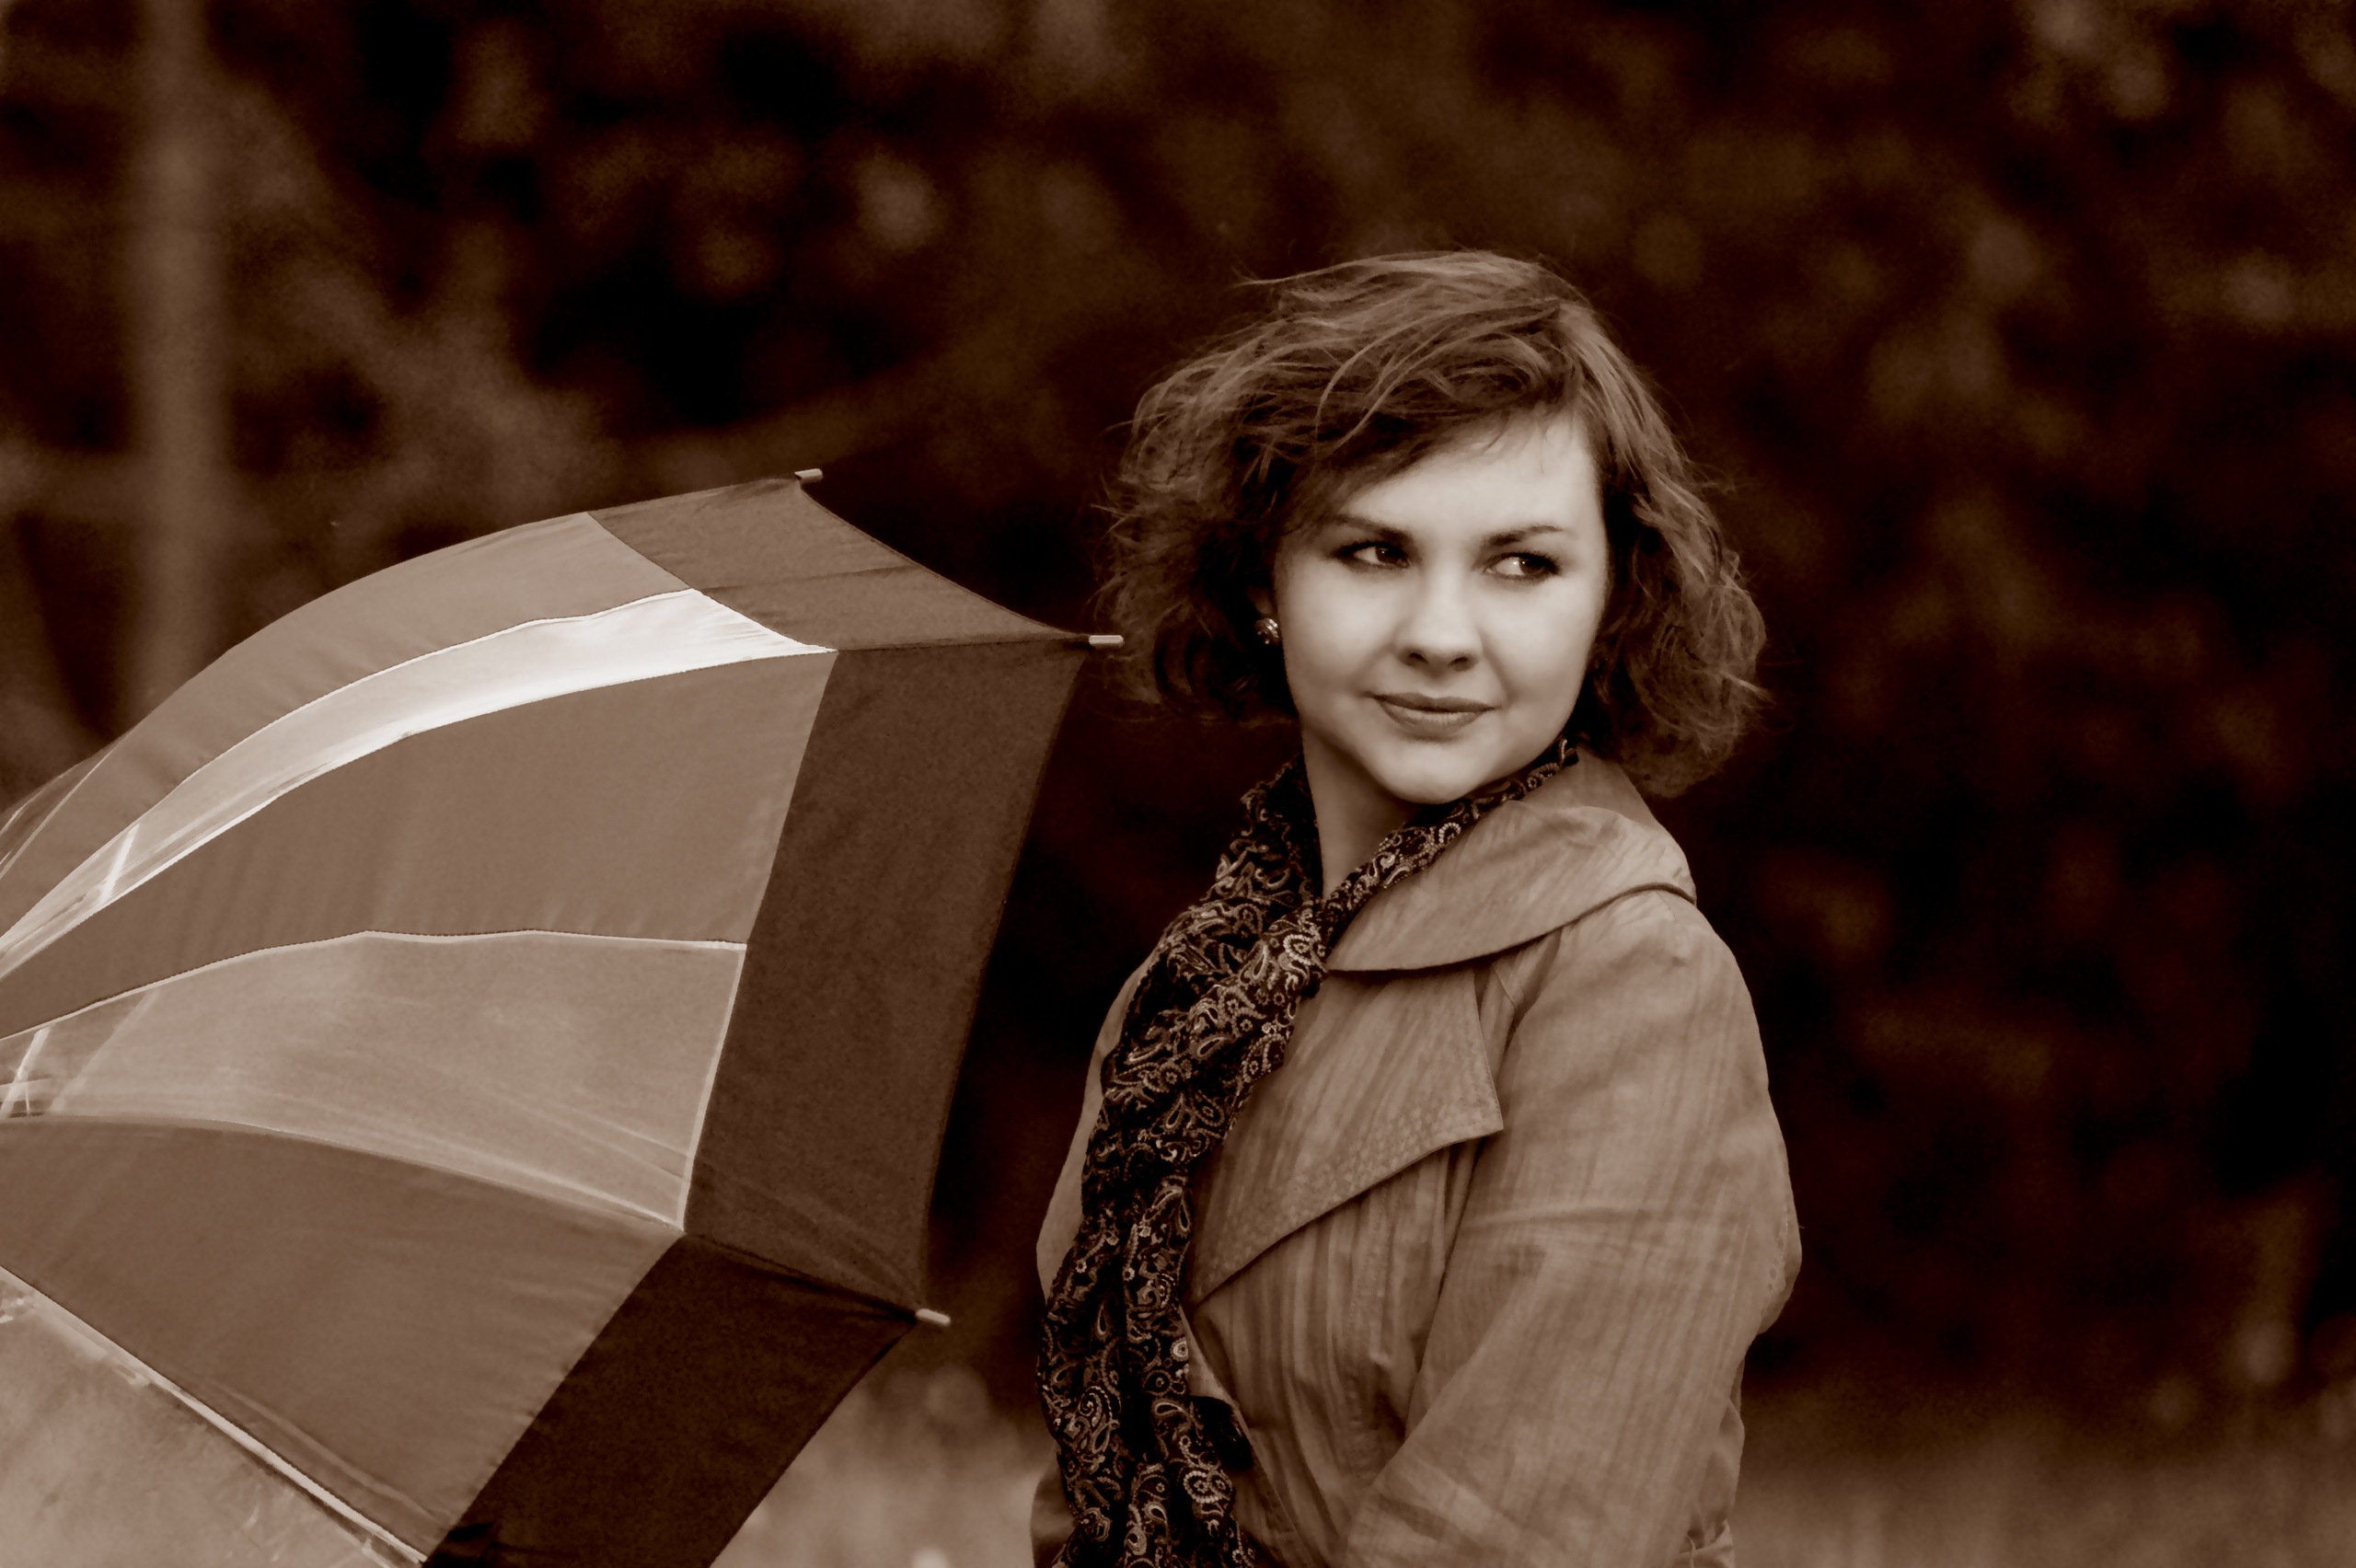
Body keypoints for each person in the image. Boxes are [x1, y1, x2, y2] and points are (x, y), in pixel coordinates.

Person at [1031, 251, 1799, 1568]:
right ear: (1265, 584)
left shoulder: (1631, 980)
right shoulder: (1191, 997)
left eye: (1522, 564)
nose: (1443, 633)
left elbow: (1520, 1537)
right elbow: (1090, 1488)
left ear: (1612, 595)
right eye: (1375, 551)